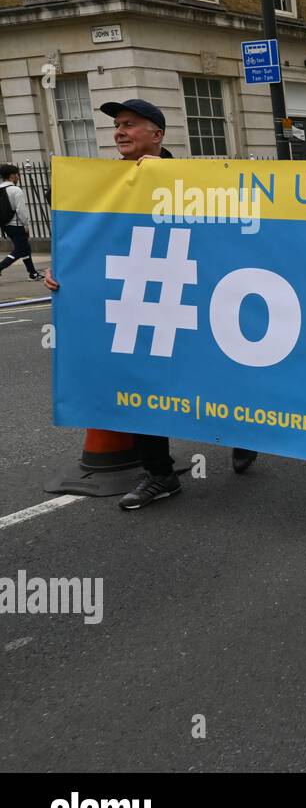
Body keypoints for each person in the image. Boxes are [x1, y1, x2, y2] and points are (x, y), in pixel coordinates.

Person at [45, 98, 260, 506]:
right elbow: (82, 238)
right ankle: (159, 474)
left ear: (157, 135)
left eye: (130, 124)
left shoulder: (192, 179)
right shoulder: (103, 183)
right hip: (142, 299)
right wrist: (62, 271)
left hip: (194, 291)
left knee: (213, 371)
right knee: (140, 380)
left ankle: (241, 431)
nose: (119, 131)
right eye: (117, 125)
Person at [0, 164, 43, 281]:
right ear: (12, 176)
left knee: (25, 248)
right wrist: (26, 224)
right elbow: (21, 210)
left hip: (5, 225)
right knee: (20, 250)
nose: (18, 177)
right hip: (17, 225)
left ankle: (33, 274)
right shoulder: (15, 190)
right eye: (17, 174)